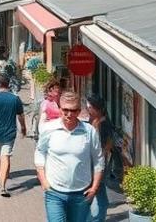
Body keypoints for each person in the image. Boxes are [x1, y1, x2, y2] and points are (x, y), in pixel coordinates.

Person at [34, 91, 104, 222]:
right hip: (54, 192)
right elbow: (40, 152)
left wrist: (94, 188)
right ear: (60, 109)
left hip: (81, 194)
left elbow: (98, 160)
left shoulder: (89, 131)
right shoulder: (49, 129)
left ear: (79, 111)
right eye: (65, 110)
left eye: (73, 110)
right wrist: (43, 180)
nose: (69, 114)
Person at [86, 94, 116, 222]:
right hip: (93, 165)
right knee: (99, 193)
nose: (87, 109)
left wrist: (98, 165)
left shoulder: (104, 125)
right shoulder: (94, 120)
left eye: (89, 106)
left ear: (96, 108)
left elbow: (106, 148)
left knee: (92, 193)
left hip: (98, 166)